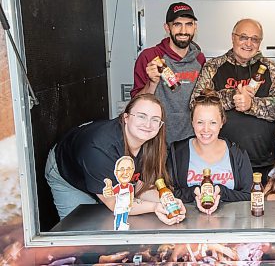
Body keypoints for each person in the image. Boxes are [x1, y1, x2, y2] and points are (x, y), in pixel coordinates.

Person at [45, 93, 186, 225]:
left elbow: (141, 186)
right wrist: (155, 207)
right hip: (69, 173)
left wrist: (169, 202)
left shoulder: (151, 143)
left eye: (155, 119)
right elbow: (115, 203)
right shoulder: (100, 149)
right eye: (141, 116)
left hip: (102, 175)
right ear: (126, 117)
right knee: (81, 230)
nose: (148, 124)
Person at [190, 19, 275, 184]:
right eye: (243, 37)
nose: (248, 43)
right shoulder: (213, 67)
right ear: (233, 37)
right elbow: (195, 103)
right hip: (221, 161)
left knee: (260, 207)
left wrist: (252, 105)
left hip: (262, 162)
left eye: (254, 39)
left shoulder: (270, 68)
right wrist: (232, 97)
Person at [131, 2, 206, 145]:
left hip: (191, 140)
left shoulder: (199, 58)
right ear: (167, 27)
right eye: (177, 24)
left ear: (195, 27)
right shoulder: (149, 57)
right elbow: (135, 104)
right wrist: (152, 83)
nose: (183, 31)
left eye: (189, 24)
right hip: (155, 140)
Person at [168, 90, 253, 215]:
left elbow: (249, 195)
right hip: (186, 224)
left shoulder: (236, 153)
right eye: (200, 122)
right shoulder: (177, 152)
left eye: (212, 122)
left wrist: (221, 191)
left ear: (221, 122)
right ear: (192, 122)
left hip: (231, 228)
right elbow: (167, 193)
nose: (206, 129)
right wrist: (194, 192)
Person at [103, 156, 135, 230]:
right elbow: (112, 193)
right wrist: (108, 190)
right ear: (116, 173)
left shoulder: (130, 186)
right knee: (119, 216)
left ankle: (124, 222)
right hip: (120, 205)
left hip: (126, 205)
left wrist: (130, 203)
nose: (125, 172)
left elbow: (131, 195)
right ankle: (117, 226)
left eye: (128, 169)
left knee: (125, 215)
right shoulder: (118, 187)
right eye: (122, 169)